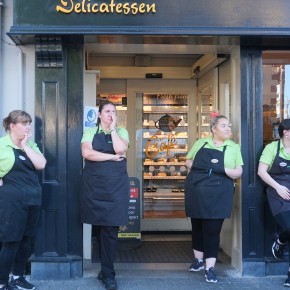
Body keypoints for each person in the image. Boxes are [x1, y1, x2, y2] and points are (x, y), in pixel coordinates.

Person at [184, 113, 243, 283]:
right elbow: (188, 161)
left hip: (220, 192)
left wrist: (224, 170)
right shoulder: (201, 143)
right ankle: (198, 261)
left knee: (212, 229)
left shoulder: (233, 147)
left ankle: (210, 268)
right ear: (213, 128)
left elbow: (239, 171)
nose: (228, 128)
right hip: (196, 189)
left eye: (229, 126)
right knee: (197, 226)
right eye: (224, 125)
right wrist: (198, 167)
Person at [80, 100, 130, 290]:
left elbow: (120, 149)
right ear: (99, 114)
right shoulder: (90, 132)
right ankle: (104, 268)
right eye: (107, 111)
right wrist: (110, 157)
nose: (111, 115)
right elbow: (87, 153)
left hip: (115, 187)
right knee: (98, 228)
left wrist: (114, 129)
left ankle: (108, 274)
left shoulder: (122, 132)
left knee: (110, 229)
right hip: (94, 186)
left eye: (114, 112)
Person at [0, 110, 47, 290]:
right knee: (11, 241)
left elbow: (41, 164)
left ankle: (18, 277)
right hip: (12, 201)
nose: (28, 127)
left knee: (27, 240)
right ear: (12, 126)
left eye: (29, 124)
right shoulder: (2, 145)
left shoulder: (30, 145)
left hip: (32, 199)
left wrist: (25, 145)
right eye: (24, 124)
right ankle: (2, 281)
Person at [257, 119, 290, 287]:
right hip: (278, 193)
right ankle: (281, 241)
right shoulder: (272, 148)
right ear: (286, 132)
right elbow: (261, 171)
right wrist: (278, 187)